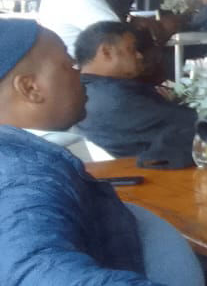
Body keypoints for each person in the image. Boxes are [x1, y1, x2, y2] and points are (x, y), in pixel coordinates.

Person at [0, 19, 163, 285]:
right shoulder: (26, 175)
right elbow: (37, 273)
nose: (82, 75)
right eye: (70, 65)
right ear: (30, 88)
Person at [73, 21, 197, 161]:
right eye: (131, 49)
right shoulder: (117, 97)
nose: (139, 56)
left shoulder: (88, 91)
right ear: (106, 52)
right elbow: (195, 123)